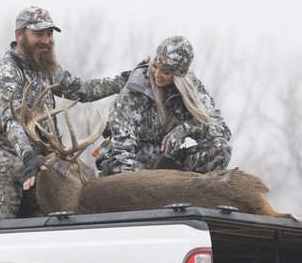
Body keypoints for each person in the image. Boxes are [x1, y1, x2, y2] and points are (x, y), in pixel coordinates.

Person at [0, 6, 129, 219]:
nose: (46, 40)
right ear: (19, 34)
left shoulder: (47, 69)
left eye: (49, 34)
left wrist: (125, 79)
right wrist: (28, 157)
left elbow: (84, 89)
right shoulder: (5, 72)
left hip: (35, 168)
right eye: (38, 34)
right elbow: (11, 120)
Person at [95, 35, 231, 176]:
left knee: (221, 148)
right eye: (155, 66)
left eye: (165, 71)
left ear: (179, 75)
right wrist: (141, 183)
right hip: (130, 164)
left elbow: (223, 131)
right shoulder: (135, 89)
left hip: (166, 165)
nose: (157, 74)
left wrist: (184, 129)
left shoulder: (194, 90)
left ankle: (187, 196)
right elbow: (121, 149)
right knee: (124, 171)